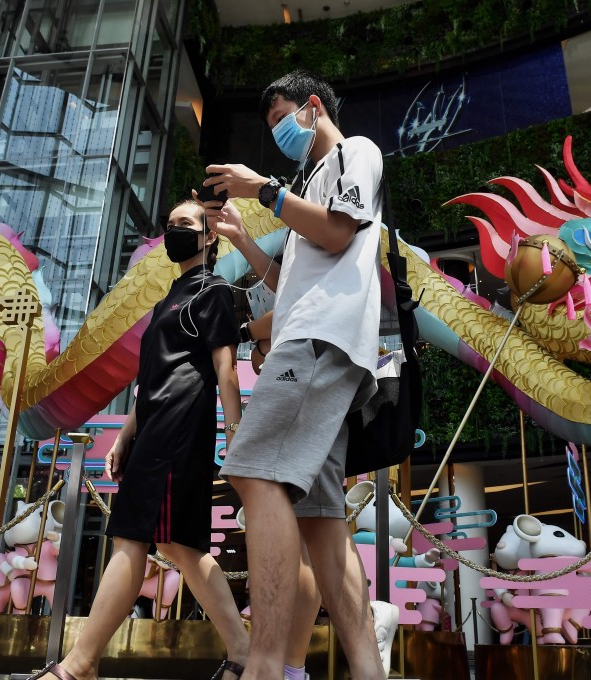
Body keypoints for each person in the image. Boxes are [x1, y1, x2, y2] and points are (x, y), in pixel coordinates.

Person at [204, 70, 391, 680]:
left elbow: (337, 233)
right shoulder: (311, 183)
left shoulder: (355, 151)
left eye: (283, 118)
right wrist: (244, 240)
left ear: (313, 107)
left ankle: (263, 666)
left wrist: (264, 191)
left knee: (253, 472)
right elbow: (288, 285)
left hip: (319, 342)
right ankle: (368, 669)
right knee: (321, 520)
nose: (279, 133)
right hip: (310, 339)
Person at [29, 200, 249, 680]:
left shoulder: (212, 290)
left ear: (210, 236)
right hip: (154, 429)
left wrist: (235, 435)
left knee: (133, 539)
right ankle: (243, 652)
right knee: (178, 545)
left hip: (179, 429)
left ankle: (79, 665)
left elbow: (226, 368)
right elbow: (152, 379)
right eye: (169, 225)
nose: (174, 232)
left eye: (185, 224)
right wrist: (126, 434)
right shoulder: (169, 297)